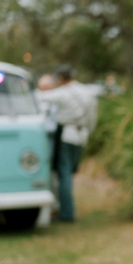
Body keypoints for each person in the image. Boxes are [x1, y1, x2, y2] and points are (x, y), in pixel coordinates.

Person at [36, 65, 98, 222]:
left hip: (67, 135)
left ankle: (66, 213)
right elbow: (92, 118)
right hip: (82, 134)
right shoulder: (87, 92)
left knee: (64, 174)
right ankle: (65, 209)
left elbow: (40, 97)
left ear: (62, 78)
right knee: (69, 173)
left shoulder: (63, 93)